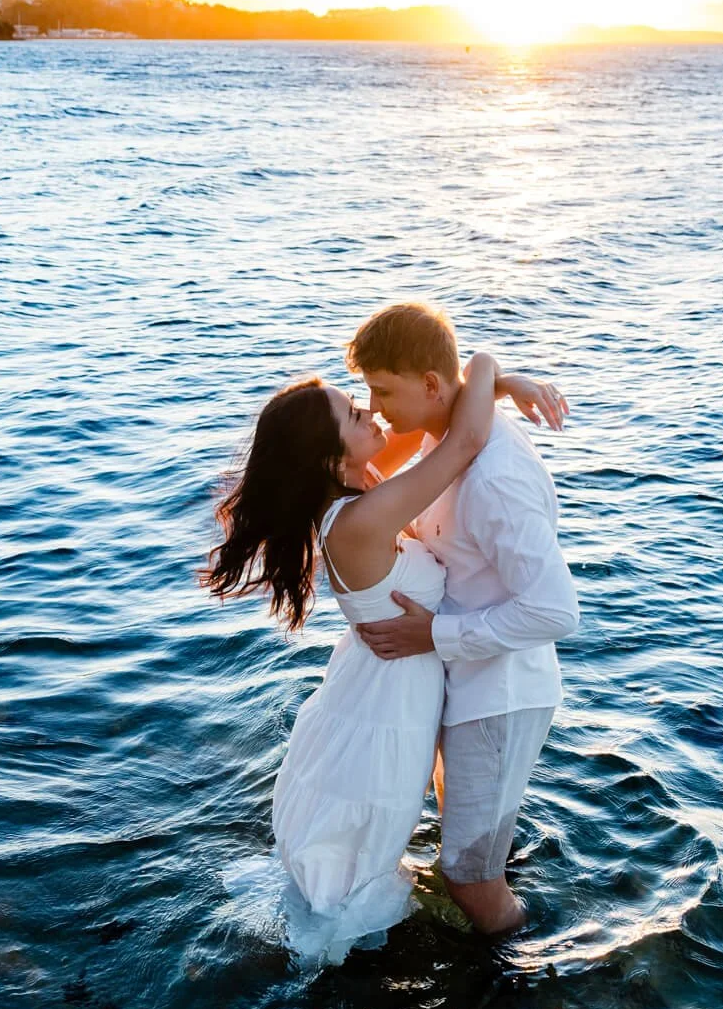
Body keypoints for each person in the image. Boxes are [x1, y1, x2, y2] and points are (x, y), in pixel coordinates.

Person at [204, 345, 568, 965]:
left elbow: (434, 426)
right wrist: (488, 368)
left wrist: (489, 388)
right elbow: (465, 441)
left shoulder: (357, 490)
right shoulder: (361, 521)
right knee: (360, 861)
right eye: (354, 413)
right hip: (388, 701)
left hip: (381, 682)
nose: (373, 414)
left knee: (401, 847)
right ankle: (522, 966)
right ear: (331, 454)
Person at [346, 303, 578, 935]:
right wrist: (499, 378)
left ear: (428, 385)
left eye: (382, 390)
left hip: (497, 695)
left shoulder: (493, 479)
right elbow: (472, 372)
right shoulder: (440, 437)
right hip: (460, 684)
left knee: (468, 875)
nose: (376, 405)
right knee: (468, 849)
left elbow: (556, 609)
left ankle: (525, 980)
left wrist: (434, 634)